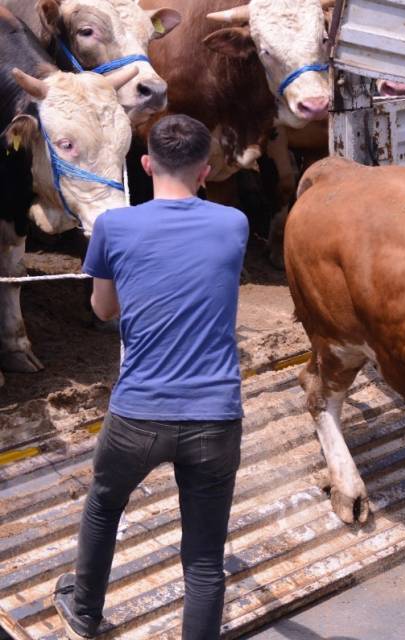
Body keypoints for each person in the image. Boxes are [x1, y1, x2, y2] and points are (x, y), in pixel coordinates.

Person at [53, 115, 249, 640]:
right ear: (206, 171)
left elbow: (103, 309)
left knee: (103, 503)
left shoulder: (115, 227)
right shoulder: (234, 223)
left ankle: (85, 612)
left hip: (138, 413)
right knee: (204, 563)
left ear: (145, 165)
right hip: (215, 417)